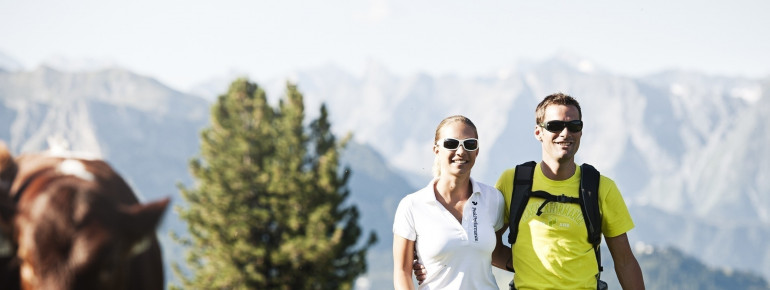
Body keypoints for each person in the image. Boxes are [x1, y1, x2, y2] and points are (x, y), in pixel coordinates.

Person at [415, 93, 645, 289]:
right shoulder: (514, 181)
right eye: (555, 126)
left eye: (574, 126)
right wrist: (430, 259)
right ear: (538, 133)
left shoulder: (600, 187)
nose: (565, 133)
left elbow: (625, 261)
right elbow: (480, 238)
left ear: (581, 132)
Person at [393, 115, 510, 290]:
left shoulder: (494, 199)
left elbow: (496, 251)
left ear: (477, 151)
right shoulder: (412, 206)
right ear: (436, 150)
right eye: (451, 144)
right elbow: (402, 271)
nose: (461, 151)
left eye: (469, 144)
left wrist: (544, 266)